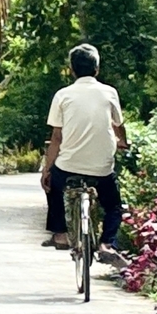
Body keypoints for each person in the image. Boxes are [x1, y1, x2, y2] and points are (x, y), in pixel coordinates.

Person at [41, 43, 125, 258]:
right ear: (97, 69)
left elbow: (56, 137)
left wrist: (46, 171)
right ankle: (107, 244)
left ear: (72, 70)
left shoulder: (62, 95)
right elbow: (118, 125)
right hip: (101, 168)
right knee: (114, 206)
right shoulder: (109, 92)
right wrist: (123, 142)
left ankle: (60, 234)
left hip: (68, 166)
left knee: (53, 186)